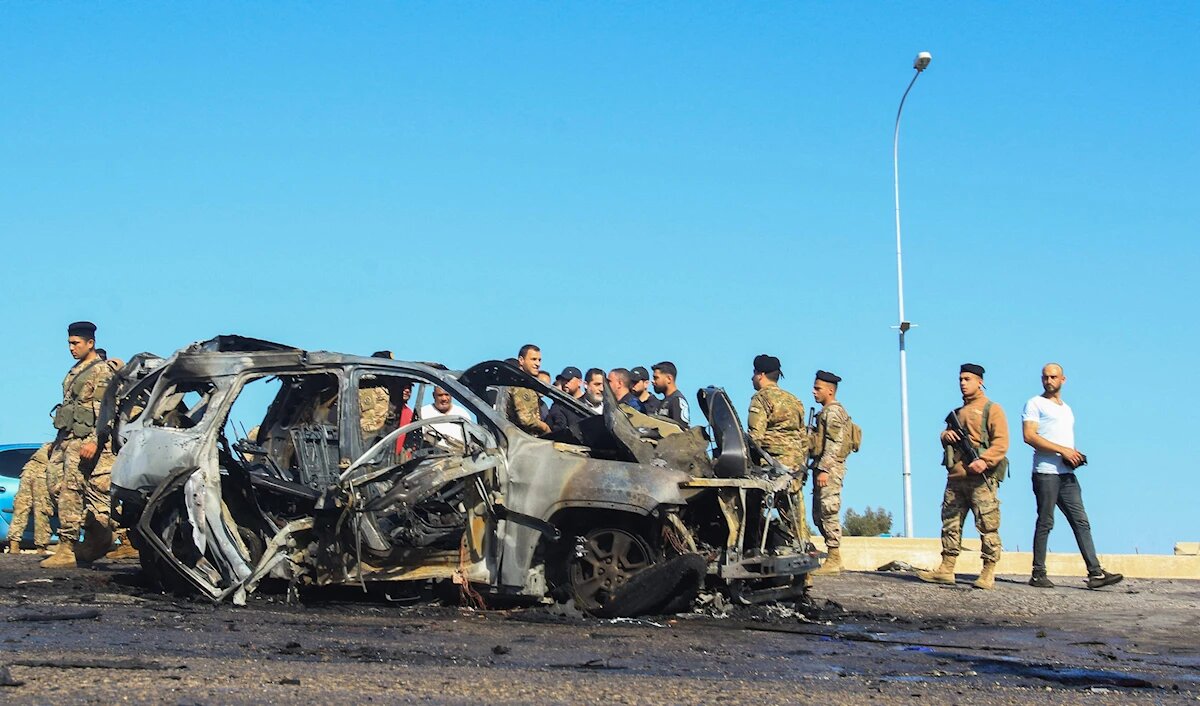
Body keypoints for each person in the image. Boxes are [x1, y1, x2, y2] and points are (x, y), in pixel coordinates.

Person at [1023, 363, 1123, 589]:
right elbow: (1029, 436)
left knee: (1081, 521)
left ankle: (1095, 573)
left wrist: (1073, 455)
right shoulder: (1035, 403)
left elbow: (1063, 440)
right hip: (1045, 473)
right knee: (1046, 521)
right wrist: (1062, 450)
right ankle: (1038, 573)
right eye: (1045, 377)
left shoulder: (1066, 409)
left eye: (1053, 377)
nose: (1049, 381)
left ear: (1063, 380)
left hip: (1066, 474)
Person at [918, 364, 1008, 590]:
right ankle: (947, 568)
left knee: (987, 524)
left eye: (968, 379)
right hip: (956, 477)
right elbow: (947, 439)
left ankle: (988, 571)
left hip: (981, 478)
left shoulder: (991, 408)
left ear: (980, 382)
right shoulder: (957, 413)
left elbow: (1001, 443)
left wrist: (984, 461)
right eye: (960, 379)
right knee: (950, 523)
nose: (963, 383)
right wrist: (945, 435)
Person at [42, 321, 118, 568]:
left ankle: (67, 547)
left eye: (76, 343)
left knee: (70, 491)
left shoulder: (101, 371)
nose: (71, 348)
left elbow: (106, 410)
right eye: (69, 343)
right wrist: (57, 443)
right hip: (67, 438)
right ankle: (101, 533)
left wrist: (95, 440)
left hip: (85, 440)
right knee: (54, 486)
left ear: (90, 343)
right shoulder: (75, 370)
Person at [747, 354, 810, 552]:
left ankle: (752, 551)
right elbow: (804, 438)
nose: (752, 377)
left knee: (750, 508)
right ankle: (804, 571)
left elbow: (754, 438)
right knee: (797, 521)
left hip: (771, 470)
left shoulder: (761, 399)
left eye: (754, 373)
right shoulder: (795, 400)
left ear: (761, 375)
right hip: (795, 469)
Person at [808, 370, 853, 575]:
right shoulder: (826, 411)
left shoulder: (833, 412)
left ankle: (834, 558)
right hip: (823, 467)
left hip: (830, 468)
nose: (814, 392)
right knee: (819, 514)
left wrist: (824, 469)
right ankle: (832, 556)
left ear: (830, 391)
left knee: (828, 511)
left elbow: (835, 443)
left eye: (818, 388)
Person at [7, 443, 54, 555]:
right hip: (43, 472)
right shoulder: (68, 443)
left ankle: (14, 544)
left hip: (28, 471)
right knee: (42, 509)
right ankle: (41, 547)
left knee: (21, 507)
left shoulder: (48, 445)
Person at [508, 344, 550, 435]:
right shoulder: (520, 384)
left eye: (539, 360)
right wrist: (545, 427)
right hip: (521, 439)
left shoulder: (528, 383)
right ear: (521, 360)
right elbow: (525, 419)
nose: (537, 364)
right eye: (533, 359)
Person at [651, 361, 689, 428]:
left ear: (669, 379)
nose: (653, 381)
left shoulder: (677, 400)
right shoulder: (663, 402)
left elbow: (682, 432)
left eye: (656, 378)